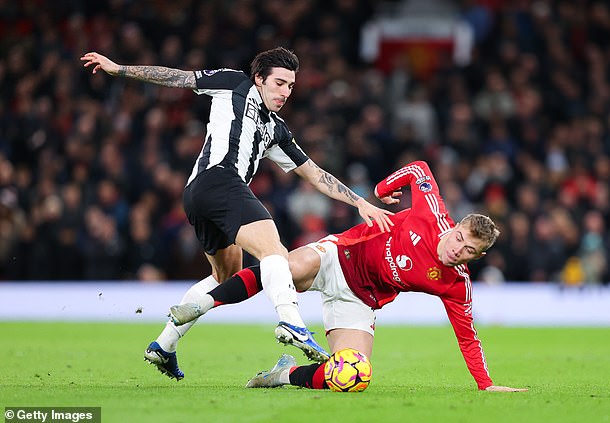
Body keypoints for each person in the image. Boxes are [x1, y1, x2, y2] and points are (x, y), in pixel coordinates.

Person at [81, 47, 394, 380]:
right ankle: (292, 322)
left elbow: (315, 174)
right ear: (258, 79)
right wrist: (119, 69)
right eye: (279, 83)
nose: (285, 92)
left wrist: (359, 202)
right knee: (274, 251)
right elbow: (177, 77)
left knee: (226, 279)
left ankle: (164, 345)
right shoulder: (233, 83)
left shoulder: (276, 129)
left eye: (290, 85)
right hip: (219, 180)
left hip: (200, 194)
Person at [171, 160, 527, 391]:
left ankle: (283, 374)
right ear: (458, 225)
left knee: (354, 376)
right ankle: (202, 304)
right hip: (338, 256)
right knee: (287, 267)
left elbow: (468, 337)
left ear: (477, 257)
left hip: (360, 300)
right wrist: (383, 191)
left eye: (468, 250)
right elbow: (419, 170)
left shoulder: (456, 284)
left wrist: (486, 384)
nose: (457, 248)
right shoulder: (432, 213)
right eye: (459, 237)